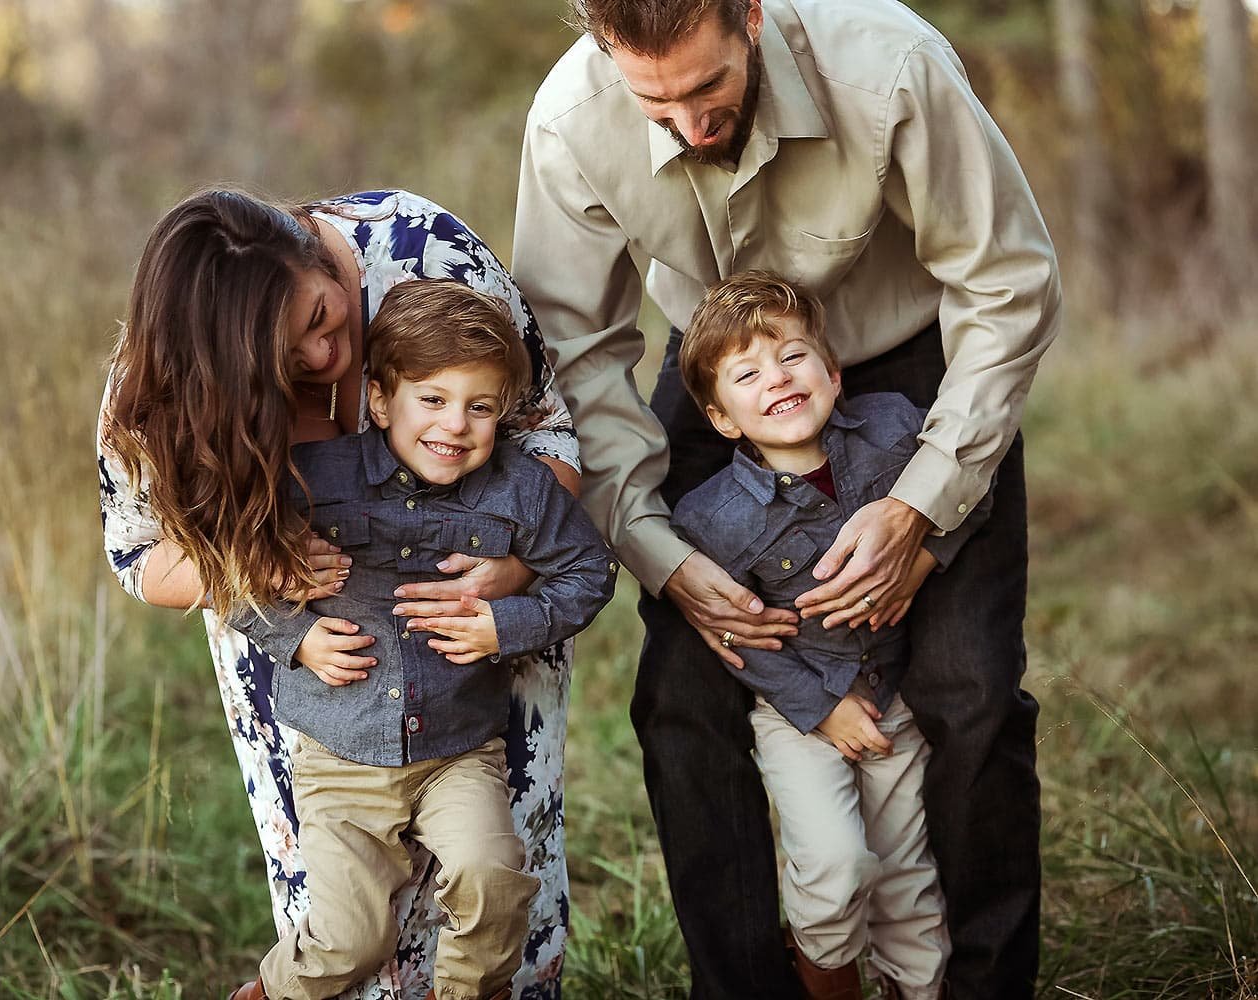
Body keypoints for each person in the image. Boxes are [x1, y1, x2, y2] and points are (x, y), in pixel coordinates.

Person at [512, 0, 1061, 996]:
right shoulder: (567, 122)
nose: (686, 124)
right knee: (685, 695)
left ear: (751, 16)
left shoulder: (893, 66)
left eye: (708, 88)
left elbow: (1007, 282)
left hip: (905, 369)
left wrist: (920, 505)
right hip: (715, 380)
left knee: (966, 688)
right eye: (654, 100)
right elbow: (576, 355)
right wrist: (658, 550)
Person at [100, 188, 585, 1000]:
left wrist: (517, 574)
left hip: (476, 654)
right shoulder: (158, 380)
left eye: (326, 313)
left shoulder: (423, 251)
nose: (328, 355)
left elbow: (545, 427)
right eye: (293, 356)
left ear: (319, 257)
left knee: (496, 886)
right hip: (314, 668)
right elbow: (138, 555)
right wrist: (253, 570)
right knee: (341, 923)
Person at [227, 280, 616, 1000]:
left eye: (480, 407)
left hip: (459, 747)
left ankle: (469, 991)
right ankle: (273, 992)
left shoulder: (521, 490)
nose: (456, 425)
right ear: (380, 400)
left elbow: (590, 570)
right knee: (349, 937)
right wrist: (299, 637)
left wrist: (509, 623)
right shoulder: (312, 481)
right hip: (341, 751)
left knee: (494, 872)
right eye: (431, 400)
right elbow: (236, 575)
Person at [671, 272, 992, 1000]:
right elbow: (739, 635)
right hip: (798, 718)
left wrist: (925, 555)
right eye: (747, 374)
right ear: (722, 418)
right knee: (836, 865)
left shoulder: (893, 432)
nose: (777, 380)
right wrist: (821, 709)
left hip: (894, 702)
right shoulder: (712, 517)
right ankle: (824, 975)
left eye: (792, 357)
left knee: (909, 881)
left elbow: (974, 489)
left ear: (833, 371)